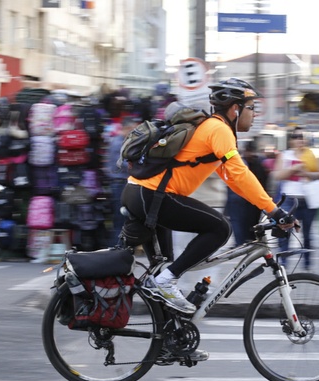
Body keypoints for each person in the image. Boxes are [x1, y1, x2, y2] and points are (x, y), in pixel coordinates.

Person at [120, 77, 296, 324]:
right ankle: (165, 282)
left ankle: (168, 338)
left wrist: (267, 206)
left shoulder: (213, 130)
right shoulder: (219, 129)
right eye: (251, 108)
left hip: (141, 194)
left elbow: (233, 178)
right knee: (220, 228)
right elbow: (239, 172)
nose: (254, 114)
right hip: (152, 197)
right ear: (235, 109)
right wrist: (274, 211)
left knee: (163, 271)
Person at [272, 127, 319, 269]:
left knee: (307, 234)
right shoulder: (285, 155)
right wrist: (294, 169)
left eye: (302, 136)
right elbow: (277, 175)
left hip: (307, 199)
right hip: (290, 200)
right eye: (296, 136)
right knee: (285, 231)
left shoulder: (311, 154)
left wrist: (307, 173)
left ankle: (307, 263)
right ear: (290, 140)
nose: (300, 139)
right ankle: (283, 262)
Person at [225, 139, 268, 246]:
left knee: (241, 221)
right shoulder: (248, 162)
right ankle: (243, 241)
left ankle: (243, 241)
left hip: (250, 198)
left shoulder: (251, 163)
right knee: (240, 221)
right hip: (246, 197)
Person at [105, 117, 137, 243]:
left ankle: (119, 247)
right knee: (120, 218)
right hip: (119, 184)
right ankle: (117, 247)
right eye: (133, 129)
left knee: (122, 218)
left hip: (120, 184)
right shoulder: (118, 143)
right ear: (126, 128)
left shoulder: (120, 141)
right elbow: (122, 164)